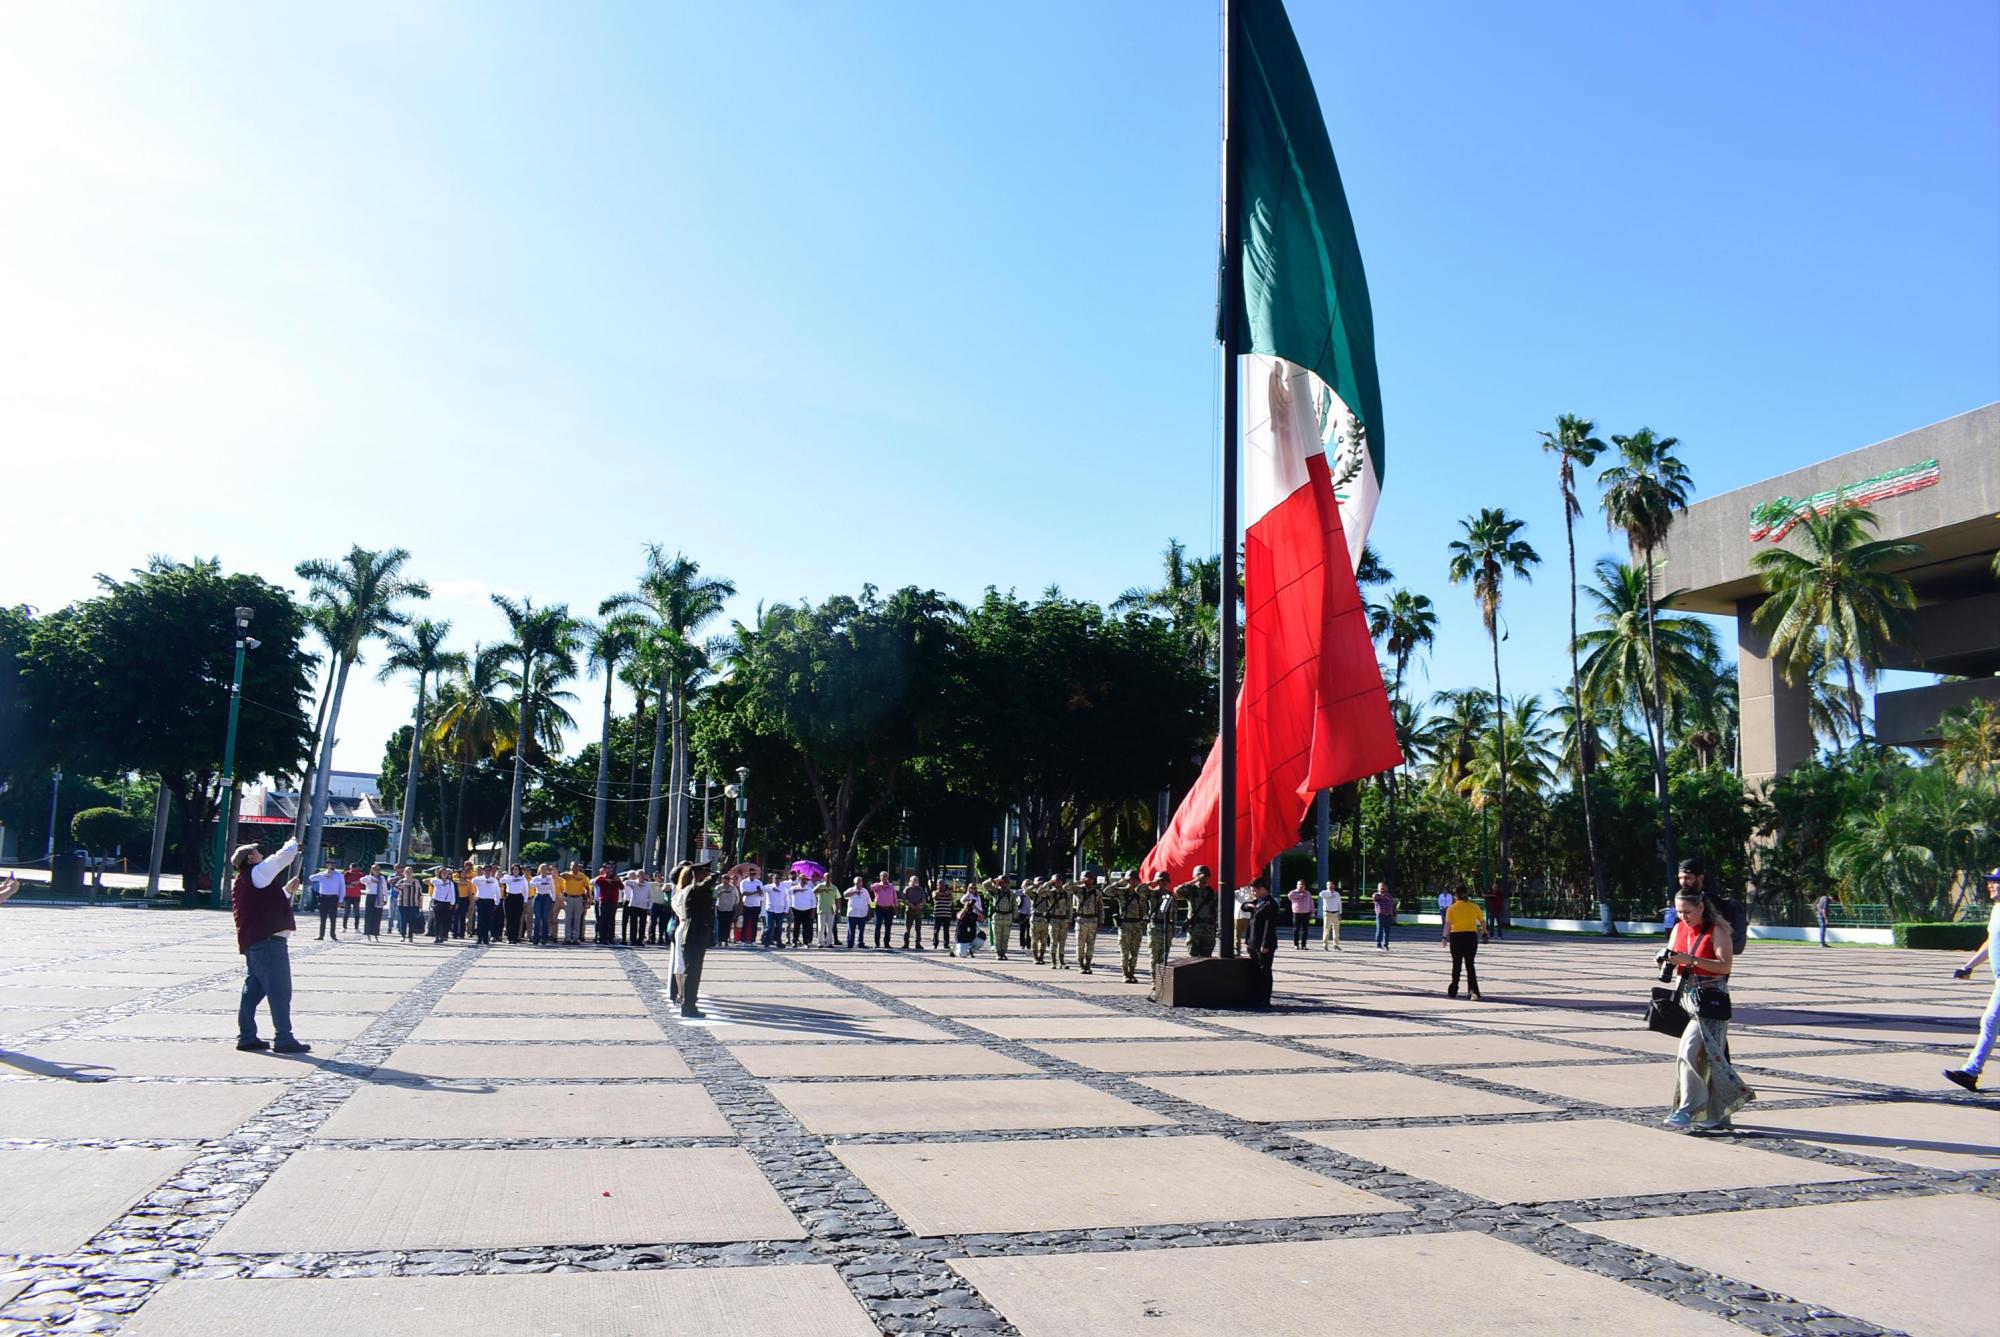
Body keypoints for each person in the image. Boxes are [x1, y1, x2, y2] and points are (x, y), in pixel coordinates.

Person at [1660, 857, 1754, 1132]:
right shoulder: (1678, 928)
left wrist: (1689, 960)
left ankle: (1686, 1110)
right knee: (1710, 1058)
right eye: (1679, 912)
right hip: (1686, 996)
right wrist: (1666, 961)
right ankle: (1718, 1114)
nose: (1683, 917)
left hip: (1710, 997)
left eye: (1687, 912)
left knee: (1689, 1049)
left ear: (1701, 907)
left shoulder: (1718, 930)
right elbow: (1674, 956)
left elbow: (1725, 965)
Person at [230, 837, 310, 1054]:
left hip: (255, 943)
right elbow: (279, 859)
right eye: (257, 852)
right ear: (251, 858)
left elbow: (261, 903)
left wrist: (285, 891)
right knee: (280, 991)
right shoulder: (257, 873)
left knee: (252, 992)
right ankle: (284, 1038)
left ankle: (247, 1036)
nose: (261, 854)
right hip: (269, 943)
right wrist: (292, 844)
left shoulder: (247, 880)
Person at [1943, 867, 2000, 1092]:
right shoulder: (1996, 910)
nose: (1991, 885)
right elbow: (1991, 943)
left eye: (1997, 882)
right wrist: (1968, 966)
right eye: (1991, 881)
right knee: (1990, 1022)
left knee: (1990, 1021)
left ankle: (1970, 1072)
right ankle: (1970, 1073)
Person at [675, 864, 718, 1018]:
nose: (708, 875)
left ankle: (690, 1005)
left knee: (694, 973)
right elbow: (707, 884)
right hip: (693, 936)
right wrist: (714, 874)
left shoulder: (698, 889)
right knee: (691, 973)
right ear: (699, 874)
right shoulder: (695, 889)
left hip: (697, 937)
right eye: (705, 872)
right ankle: (688, 1006)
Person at [1441, 886, 1486, 1000]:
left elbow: (1448, 924)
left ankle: (1453, 989)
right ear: (1467, 894)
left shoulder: (1451, 908)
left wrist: (1444, 937)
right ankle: (1473, 991)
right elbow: (1482, 921)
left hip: (1457, 937)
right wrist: (1484, 931)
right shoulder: (1474, 906)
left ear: (1456, 895)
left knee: (1456, 964)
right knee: (1470, 965)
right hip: (1471, 937)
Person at [1243, 879, 1280, 1006]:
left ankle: (1264, 998)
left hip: (1264, 944)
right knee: (1255, 970)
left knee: (1264, 971)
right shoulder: (1258, 901)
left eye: (1254, 890)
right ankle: (1255, 996)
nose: (1253, 892)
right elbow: (1245, 906)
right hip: (1253, 941)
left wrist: (1265, 944)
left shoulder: (1270, 904)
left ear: (1262, 889)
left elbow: (1268, 926)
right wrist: (1249, 906)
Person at [1112, 874, 1150, 983]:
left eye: (1136, 880)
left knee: (1134, 952)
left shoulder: (1141, 895)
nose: (1134, 882)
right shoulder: (1122, 891)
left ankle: (1132, 973)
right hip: (1125, 925)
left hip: (1137, 925)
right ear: (1128, 880)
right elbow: (1107, 891)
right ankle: (1125, 974)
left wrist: (1143, 922)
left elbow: (1144, 909)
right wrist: (1119, 882)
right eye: (1131, 880)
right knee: (1125, 952)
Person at [1178, 867, 1218, 958]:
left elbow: (1214, 910)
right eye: (1201, 876)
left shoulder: (1211, 892)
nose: (1204, 878)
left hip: (1208, 929)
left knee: (1206, 958)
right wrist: (1194, 880)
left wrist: (1215, 926)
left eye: (1206, 876)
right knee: (1193, 957)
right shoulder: (1191, 890)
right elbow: (1178, 891)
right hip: (1195, 928)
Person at [1073, 874, 1103, 974]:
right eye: (1086, 878)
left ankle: (1088, 964)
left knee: (1091, 944)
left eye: (1090, 879)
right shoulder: (1078, 890)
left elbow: (1100, 907)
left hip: (1093, 920)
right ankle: (1081, 964)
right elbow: (1066, 887)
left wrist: (1101, 921)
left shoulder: (1096, 892)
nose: (1088, 880)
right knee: (1080, 944)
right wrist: (1079, 882)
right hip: (1081, 919)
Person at [1148, 873, 1176, 977]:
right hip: (1155, 926)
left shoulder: (1170, 895)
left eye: (1166, 881)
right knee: (1155, 954)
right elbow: (1139, 889)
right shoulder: (1152, 893)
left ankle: (1163, 979)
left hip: (1167, 927)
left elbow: (1174, 912)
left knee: (1164, 955)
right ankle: (1155, 980)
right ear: (1158, 881)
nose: (1164, 883)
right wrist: (1152, 882)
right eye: (1161, 881)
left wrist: (1173, 927)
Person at [310, 862, 345, 940]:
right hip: (323, 897)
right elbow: (311, 878)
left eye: (333, 863)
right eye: (329, 863)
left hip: (333, 897)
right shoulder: (322, 874)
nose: (331, 865)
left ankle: (333, 935)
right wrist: (324, 875)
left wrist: (341, 900)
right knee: (323, 917)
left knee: (333, 917)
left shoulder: (339, 875)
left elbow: (342, 888)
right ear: (327, 865)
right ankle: (321, 935)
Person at [558, 862, 591, 944]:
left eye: (576, 866)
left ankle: (576, 938)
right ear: (570, 867)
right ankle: (567, 938)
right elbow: (561, 875)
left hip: (579, 898)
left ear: (579, 867)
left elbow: (587, 888)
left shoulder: (583, 876)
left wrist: (587, 900)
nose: (574, 868)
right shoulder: (567, 875)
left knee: (577, 919)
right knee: (568, 919)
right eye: (572, 866)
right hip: (569, 898)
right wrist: (574, 877)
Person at [1046, 875, 1075, 970]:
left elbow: (1070, 907)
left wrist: (1070, 919)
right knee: (1053, 941)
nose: (1058, 882)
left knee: (1062, 942)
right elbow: (1040, 892)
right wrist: (1049, 882)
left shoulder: (1066, 894)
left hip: (1063, 920)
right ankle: (1053, 961)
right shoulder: (1050, 893)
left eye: (1060, 881)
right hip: (1054, 919)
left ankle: (1061, 961)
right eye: (1056, 881)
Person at [471, 864, 502, 945]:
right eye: (486, 870)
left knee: (488, 920)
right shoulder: (479, 879)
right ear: (483, 871)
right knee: (480, 920)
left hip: (490, 901)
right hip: (481, 900)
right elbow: (473, 881)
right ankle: (479, 937)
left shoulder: (494, 880)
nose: (487, 872)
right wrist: (484, 880)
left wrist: (497, 902)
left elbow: (497, 892)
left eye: (489, 870)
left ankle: (485, 938)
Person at [980, 876, 1011, 957]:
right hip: (997, 916)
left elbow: (1013, 905)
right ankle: (998, 953)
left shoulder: (1010, 893)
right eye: (1001, 882)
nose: (1003, 884)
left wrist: (1014, 916)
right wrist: (993, 880)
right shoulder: (995, 891)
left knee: (1005, 937)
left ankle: (1003, 953)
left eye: (1004, 882)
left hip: (1007, 917)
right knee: (997, 936)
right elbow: (985, 886)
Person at [592, 863, 622, 945]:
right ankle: (602, 938)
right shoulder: (601, 878)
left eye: (611, 868)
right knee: (603, 920)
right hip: (604, 902)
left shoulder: (615, 878)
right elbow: (596, 881)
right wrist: (606, 880)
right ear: (605, 869)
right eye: (608, 868)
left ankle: (611, 938)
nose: (610, 870)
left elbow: (622, 887)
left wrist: (618, 880)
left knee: (611, 920)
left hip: (613, 902)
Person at [530, 863, 558, 945]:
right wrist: (539, 883)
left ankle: (544, 938)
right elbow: (531, 884)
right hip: (538, 897)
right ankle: (536, 938)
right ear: (539, 870)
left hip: (546, 898)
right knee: (537, 918)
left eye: (545, 868)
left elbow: (553, 890)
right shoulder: (536, 878)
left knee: (545, 918)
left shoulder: (550, 879)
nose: (544, 870)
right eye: (542, 868)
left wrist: (553, 900)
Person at [500, 864, 529, 944]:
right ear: (512, 870)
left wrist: (525, 901)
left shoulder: (522, 879)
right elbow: (501, 880)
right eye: (514, 869)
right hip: (509, 898)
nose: (515, 871)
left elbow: (526, 890)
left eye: (517, 869)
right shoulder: (508, 877)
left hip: (519, 898)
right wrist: (510, 879)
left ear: (519, 870)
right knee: (509, 919)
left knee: (517, 919)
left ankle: (515, 938)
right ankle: (509, 937)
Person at [623, 869, 653, 946]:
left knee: (642, 924)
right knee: (633, 924)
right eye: (640, 874)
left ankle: (640, 940)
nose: (642, 876)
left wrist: (649, 907)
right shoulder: (633, 883)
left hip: (643, 906)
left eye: (643, 874)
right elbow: (626, 883)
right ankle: (633, 940)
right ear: (637, 876)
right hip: (634, 905)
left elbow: (651, 897)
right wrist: (636, 882)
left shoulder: (648, 885)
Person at [869, 871, 898, 949]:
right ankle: (877, 943)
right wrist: (880, 885)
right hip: (879, 908)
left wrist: (896, 907)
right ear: (880, 877)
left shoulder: (892, 886)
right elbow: (871, 888)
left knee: (888, 927)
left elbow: (895, 897)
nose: (884, 878)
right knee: (877, 926)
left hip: (889, 908)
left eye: (886, 876)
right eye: (883, 876)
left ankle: (887, 943)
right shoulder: (877, 885)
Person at [428, 866, 457, 943]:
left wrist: (452, 903)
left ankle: (443, 935)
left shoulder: (450, 883)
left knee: (445, 920)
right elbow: (432, 881)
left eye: (446, 873)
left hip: (446, 903)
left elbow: (452, 893)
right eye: (442, 873)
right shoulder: (436, 880)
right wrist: (442, 881)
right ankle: (437, 936)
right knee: (437, 920)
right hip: (437, 902)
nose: (444, 874)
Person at [396, 865, 423, 942]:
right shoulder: (401, 881)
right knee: (403, 920)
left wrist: (420, 904)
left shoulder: (416, 881)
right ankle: (403, 935)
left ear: (413, 873)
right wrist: (403, 885)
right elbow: (396, 888)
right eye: (407, 872)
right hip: (402, 904)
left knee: (412, 920)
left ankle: (410, 936)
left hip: (413, 904)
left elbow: (420, 893)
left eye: (410, 872)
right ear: (404, 873)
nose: (408, 873)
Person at [900, 877, 928, 949]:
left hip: (918, 911)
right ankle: (906, 944)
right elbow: (904, 899)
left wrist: (920, 904)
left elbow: (924, 900)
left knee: (918, 928)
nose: (916, 881)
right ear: (910, 881)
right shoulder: (907, 889)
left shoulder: (920, 889)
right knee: (907, 928)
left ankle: (918, 943)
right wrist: (910, 904)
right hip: (909, 910)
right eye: (914, 880)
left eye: (917, 880)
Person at [361, 865, 388, 940]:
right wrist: (370, 880)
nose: (377, 871)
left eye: (378, 869)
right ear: (372, 870)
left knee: (377, 916)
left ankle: (375, 933)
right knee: (369, 915)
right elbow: (361, 880)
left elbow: (385, 889)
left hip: (379, 897)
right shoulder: (368, 877)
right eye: (375, 869)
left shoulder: (382, 878)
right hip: (371, 897)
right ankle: (368, 933)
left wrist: (385, 899)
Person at [1288, 880, 1315, 951]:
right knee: (1296, 930)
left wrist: (1312, 912)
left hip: (1306, 913)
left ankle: (1304, 945)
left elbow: (1311, 903)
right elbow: (1290, 896)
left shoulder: (1308, 893)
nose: (1301, 886)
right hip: (1297, 913)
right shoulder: (1293, 892)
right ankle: (1296, 944)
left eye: (1303, 885)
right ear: (1297, 885)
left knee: (1305, 930)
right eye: (1300, 884)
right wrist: (1300, 895)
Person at [845, 877, 872, 948]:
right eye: (857, 882)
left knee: (861, 930)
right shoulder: (851, 890)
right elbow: (845, 895)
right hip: (852, 913)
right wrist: (854, 892)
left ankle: (860, 943)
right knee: (851, 930)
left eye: (860, 882)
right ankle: (850, 943)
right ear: (854, 882)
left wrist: (869, 913)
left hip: (862, 914)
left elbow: (869, 902)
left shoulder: (865, 891)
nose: (859, 883)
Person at [954, 891, 981, 958]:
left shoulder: (973, 914)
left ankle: (970, 951)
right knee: (962, 955)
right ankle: (954, 950)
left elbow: (982, 918)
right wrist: (965, 907)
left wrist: (975, 907)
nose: (970, 907)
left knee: (981, 938)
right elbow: (960, 917)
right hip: (962, 938)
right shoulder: (960, 912)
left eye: (970, 906)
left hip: (971, 937)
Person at [738, 875, 764, 945]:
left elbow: (762, 894)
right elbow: (743, 893)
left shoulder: (758, 882)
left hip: (756, 905)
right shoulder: (744, 882)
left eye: (754, 874)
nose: (752, 875)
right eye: (751, 874)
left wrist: (760, 891)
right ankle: (743, 940)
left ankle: (753, 940)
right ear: (749, 874)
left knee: (754, 924)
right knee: (745, 923)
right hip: (747, 905)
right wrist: (755, 892)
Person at [814, 877, 839, 948]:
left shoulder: (834, 887)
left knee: (830, 927)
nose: (828, 879)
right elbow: (813, 892)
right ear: (824, 878)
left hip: (831, 909)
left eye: (829, 877)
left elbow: (837, 898)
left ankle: (829, 943)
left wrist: (837, 909)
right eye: (827, 877)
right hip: (822, 909)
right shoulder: (820, 885)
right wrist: (822, 889)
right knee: (821, 927)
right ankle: (820, 943)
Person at [1371, 882, 1395, 950]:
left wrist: (1394, 913)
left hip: (1389, 916)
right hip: (1380, 915)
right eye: (1380, 887)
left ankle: (1386, 945)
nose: (1382, 888)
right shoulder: (1376, 895)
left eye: (1383, 886)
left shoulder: (1389, 895)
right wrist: (1382, 893)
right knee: (1379, 930)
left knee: (1387, 931)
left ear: (1386, 888)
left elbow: (1392, 905)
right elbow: (1375, 897)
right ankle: (1378, 945)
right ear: (1378, 888)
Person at [341, 864, 365, 930]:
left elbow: (364, 881)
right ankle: (344, 927)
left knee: (357, 912)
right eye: (352, 869)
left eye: (355, 869)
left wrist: (357, 882)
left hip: (356, 896)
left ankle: (356, 928)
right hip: (347, 895)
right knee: (346, 912)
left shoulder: (360, 874)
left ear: (357, 868)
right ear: (350, 868)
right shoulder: (346, 874)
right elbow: (342, 883)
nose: (353, 870)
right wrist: (348, 886)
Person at [1320, 883, 1343, 951]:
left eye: (1332, 885)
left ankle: (1336, 944)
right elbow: (1321, 895)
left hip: (1336, 913)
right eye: (1329, 885)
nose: (1331, 886)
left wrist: (1340, 913)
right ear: (1327, 886)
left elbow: (1339, 903)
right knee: (1326, 930)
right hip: (1327, 913)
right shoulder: (1324, 893)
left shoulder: (1337, 893)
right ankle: (1325, 945)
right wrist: (1330, 892)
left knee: (1336, 930)